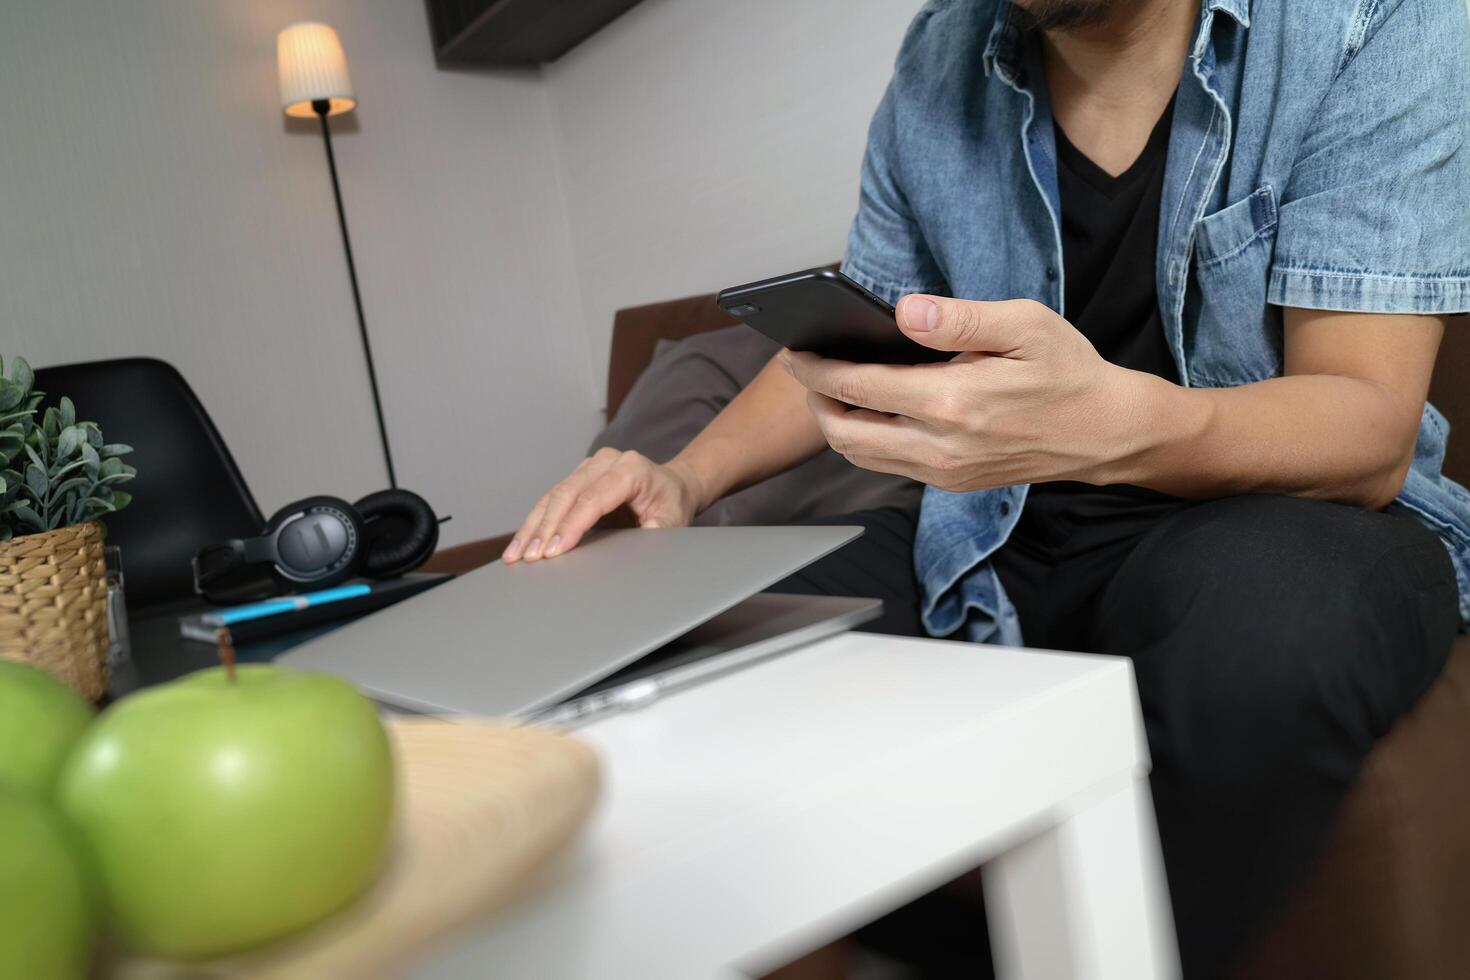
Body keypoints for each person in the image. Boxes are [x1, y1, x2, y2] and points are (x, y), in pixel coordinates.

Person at [505, 0, 1470, 974]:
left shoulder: (1366, 20)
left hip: (1271, 519)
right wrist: (680, 476)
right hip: (999, 530)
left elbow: (1367, 426)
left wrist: (1116, 426)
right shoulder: (940, 52)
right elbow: (862, 328)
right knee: (708, 642)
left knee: (1260, 629)